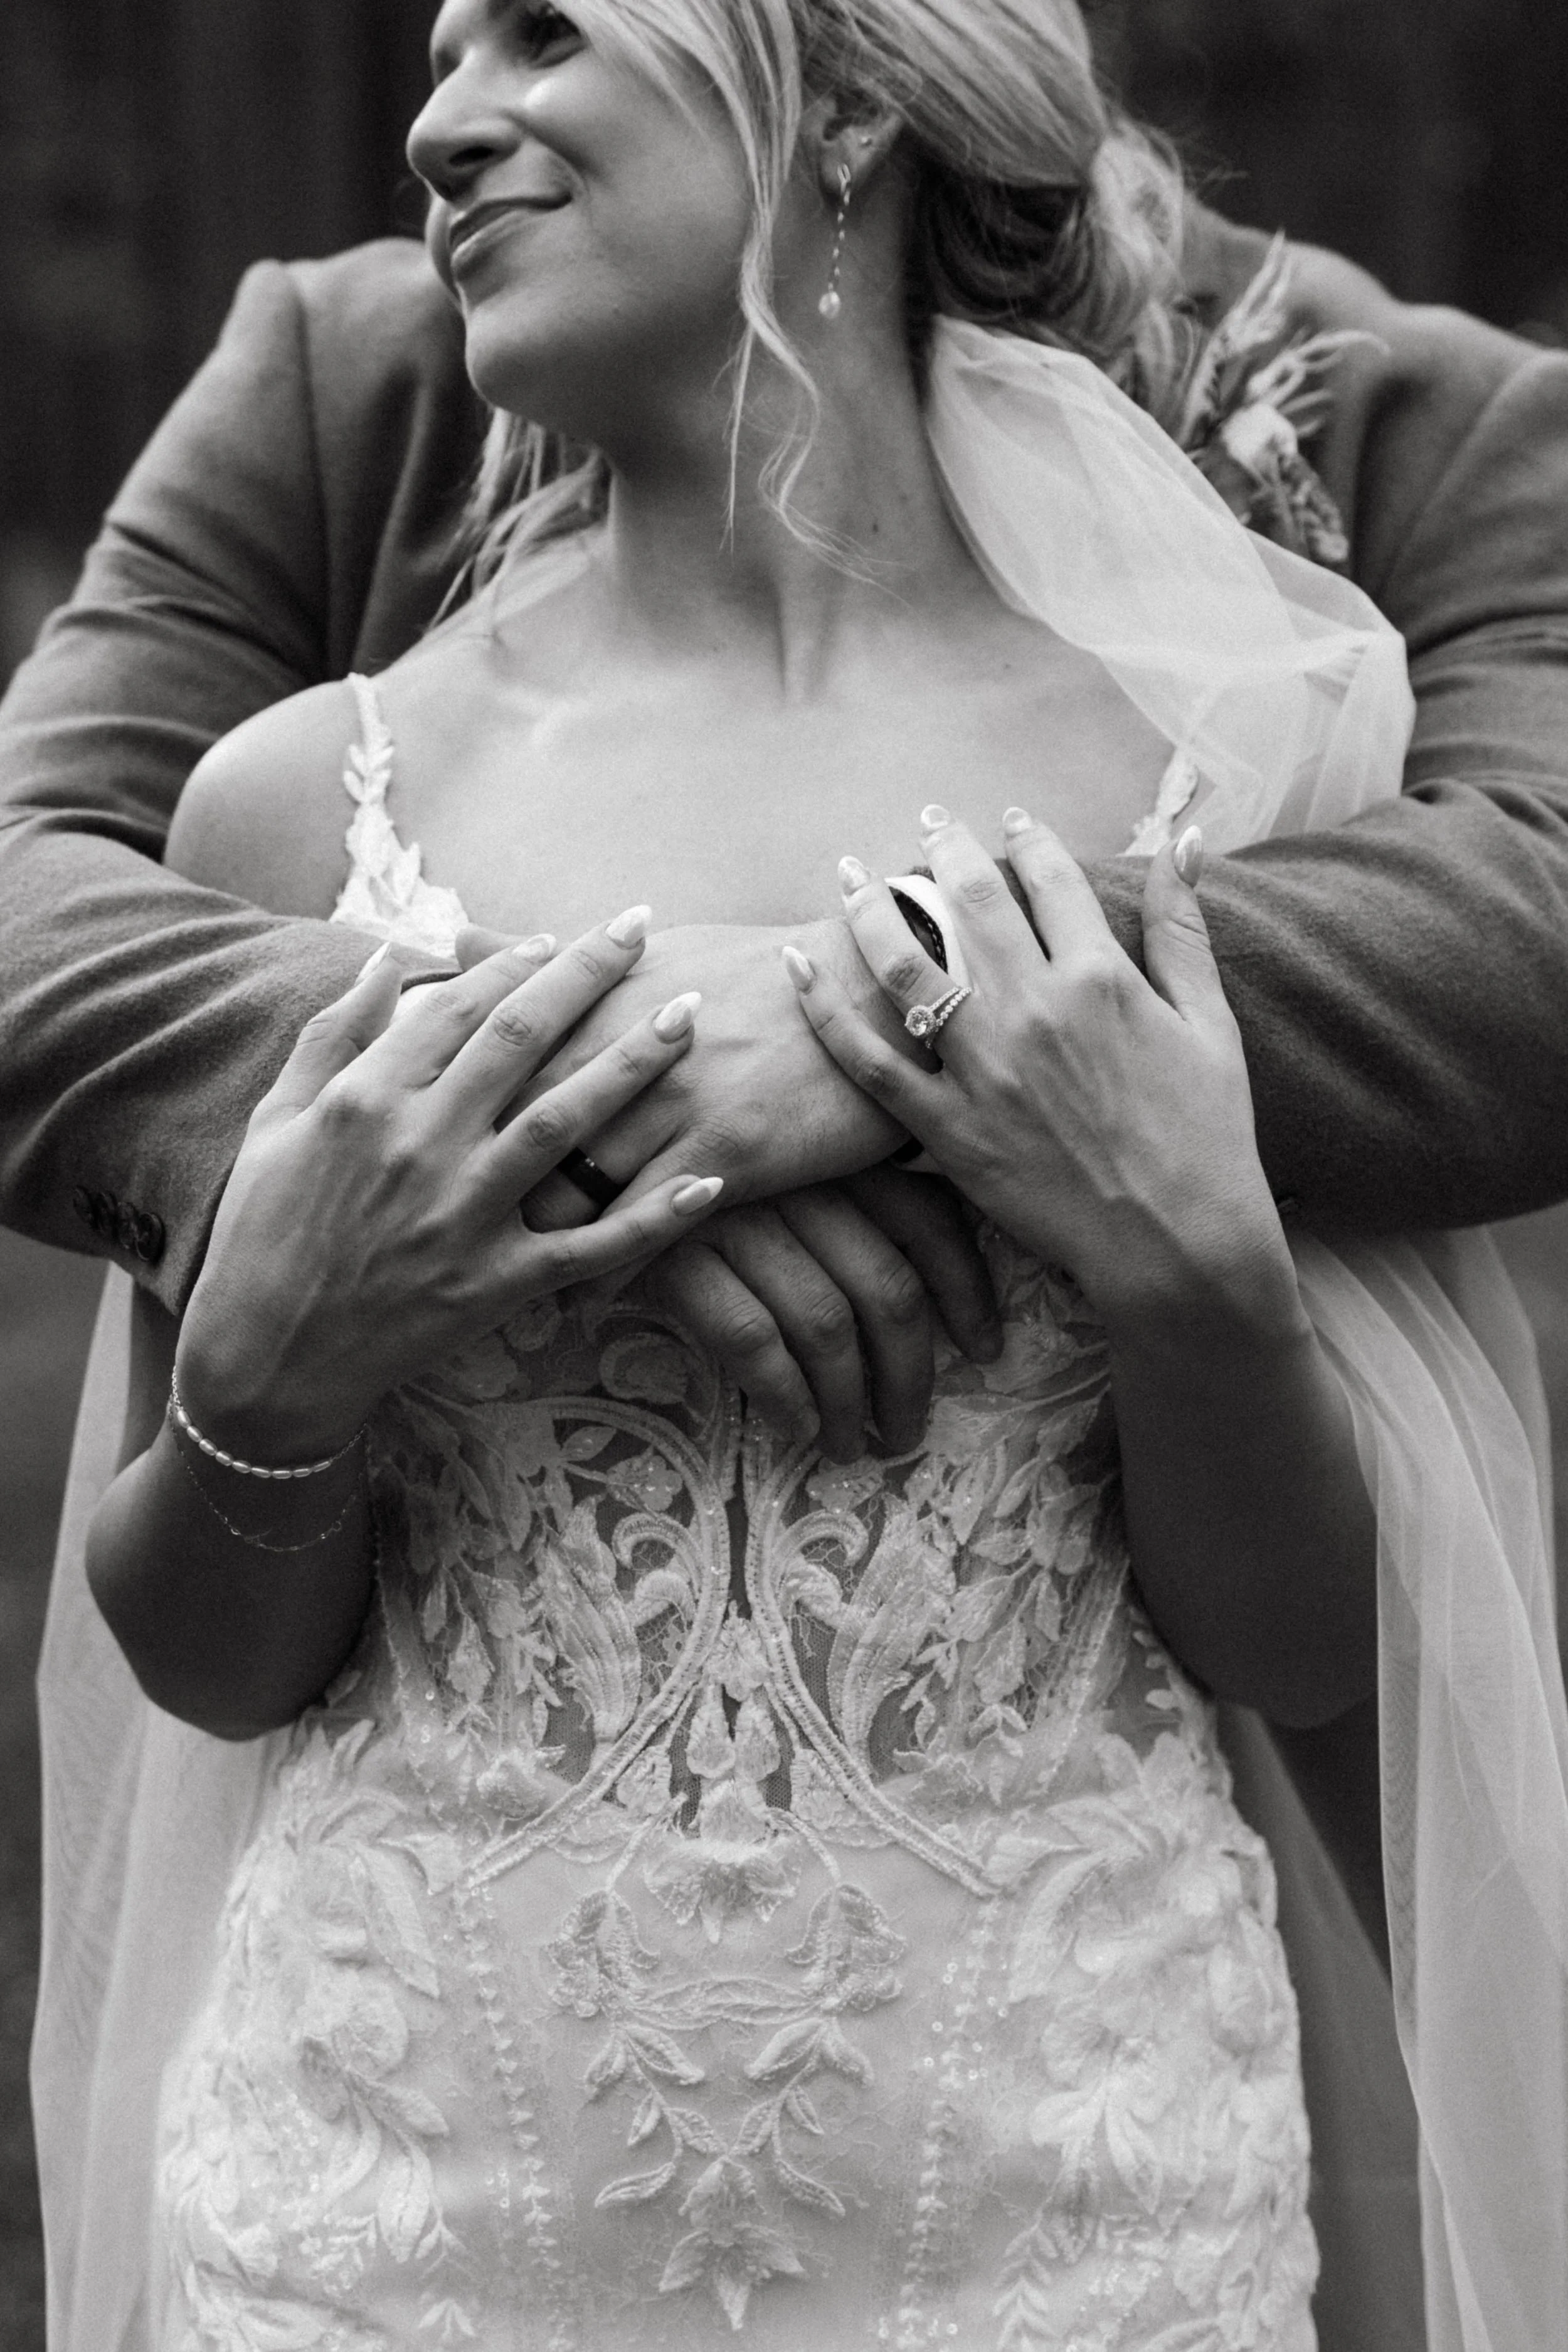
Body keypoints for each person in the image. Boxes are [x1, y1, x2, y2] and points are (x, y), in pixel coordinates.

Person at [25, 1, 1568, 2348]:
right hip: (401, 2224)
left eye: (546, 31)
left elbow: (1283, 1639)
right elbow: (207, 1661)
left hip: (1064, 2199)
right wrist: (277, 1355)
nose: (438, 120)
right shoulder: (292, 812)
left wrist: (1179, 1268)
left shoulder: (1207, 779)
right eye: (438, 52)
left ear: (851, 95)